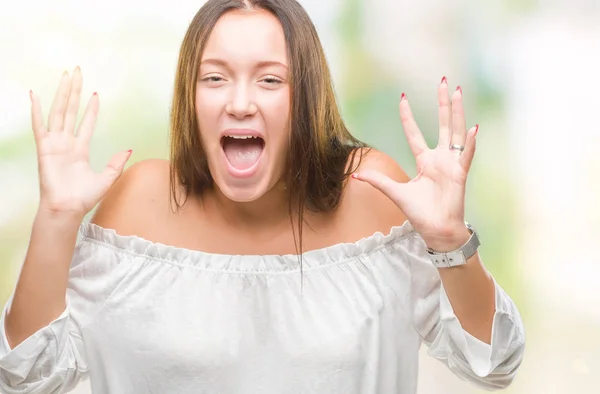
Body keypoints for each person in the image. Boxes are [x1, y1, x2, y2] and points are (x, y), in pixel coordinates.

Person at [0, 0, 525, 393]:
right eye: (215, 78)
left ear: (306, 98)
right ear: (191, 94)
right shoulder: (140, 201)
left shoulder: (370, 192)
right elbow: (28, 373)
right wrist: (56, 218)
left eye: (270, 79)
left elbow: (493, 361)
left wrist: (449, 240)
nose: (241, 102)